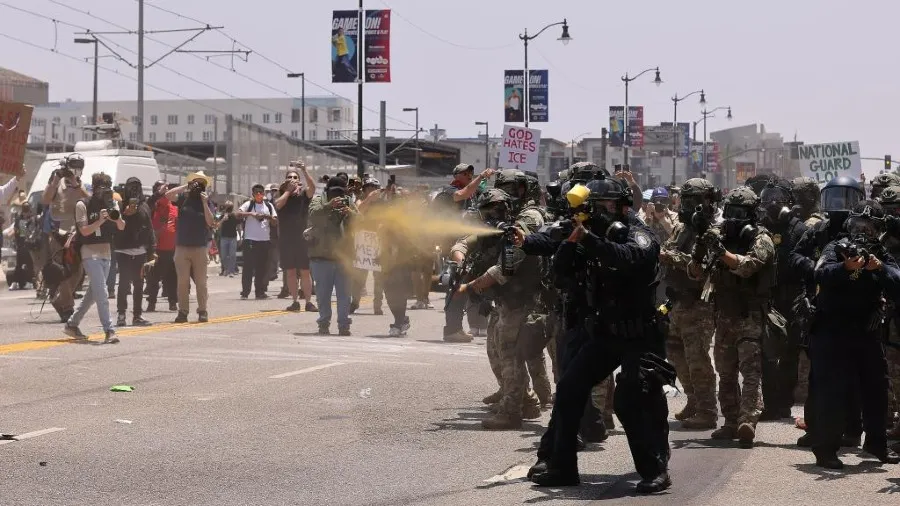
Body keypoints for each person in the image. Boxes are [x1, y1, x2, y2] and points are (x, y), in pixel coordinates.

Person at [527, 174, 673, 494]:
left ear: (620, 206)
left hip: (642, 335)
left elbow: (632, 258)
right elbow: (562, 269)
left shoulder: (638, 232)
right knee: (569, 388)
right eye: (593, 207)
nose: (596, 212)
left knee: (633, 397)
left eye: (602, 206)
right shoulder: (589, 233)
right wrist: (571, 242)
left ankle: (655, 469)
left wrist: (589, 240)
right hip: (606, 334)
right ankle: (562, 466)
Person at [811, 199, 900, 468]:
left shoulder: (881, 254)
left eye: (869, 227)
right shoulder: (835, 247)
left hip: (867, 332)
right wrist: (845, 268)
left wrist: (879, 269)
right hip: (833, 331)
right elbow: (820, 273)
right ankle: (826, 449)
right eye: (859, 225)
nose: (863, 232)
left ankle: (876, 445)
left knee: (876, 388)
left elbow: (897, 280)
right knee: (832, 392)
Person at [690, 186, 775, 449]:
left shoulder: (762, 238)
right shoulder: (718, 235)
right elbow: (696, 272)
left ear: (752, 214)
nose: (734, 218)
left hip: (750, 314)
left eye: (741, 212)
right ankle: (729, 421)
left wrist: (721, 251)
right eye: (731, 212)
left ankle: (747, 420)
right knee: (726, 371)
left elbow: (748, 267)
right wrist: (701, 244)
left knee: (750, 371)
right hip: (724, 314)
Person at [658, 178, 721, 430]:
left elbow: (701, 267)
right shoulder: (683, 227)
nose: (686, 205)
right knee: (675, 354)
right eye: (684, 200)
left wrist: (668, 256)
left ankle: (707, 410)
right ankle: (694, 400)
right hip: (677, 301)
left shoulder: (712, 229)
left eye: (692, 200)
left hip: (699, 304)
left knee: (697, 358)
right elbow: (670, 248)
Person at [754, 178, 809, 421]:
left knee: (789, 354)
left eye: (779, 198)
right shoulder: (759, 227)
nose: (773, 203)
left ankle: (784, 402)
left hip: (793, 299)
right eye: (768, 198)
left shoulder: (800, 230)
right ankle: (771, 404)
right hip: (769, 298)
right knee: (766, 353)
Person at [63, 172, 125, 343]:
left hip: (106, 252)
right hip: (89, 253)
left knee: (93, 294)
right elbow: (84, 231)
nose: (104, 193)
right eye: (101, 189)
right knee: (102, 294)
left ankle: (72, 324)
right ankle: (109, 330)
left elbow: (121, 226)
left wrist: (116, 215)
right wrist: (100, 220)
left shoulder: (111, 202)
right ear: (95, 188)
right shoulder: (82, 204)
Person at [41, 153, 89, 322]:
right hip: (58, 232)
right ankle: (67, 309)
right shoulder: (57, 181)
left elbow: (87, 199)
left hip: (75, 232)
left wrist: (75, 184)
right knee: (61, 271)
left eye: (80, 167)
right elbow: (45, 200)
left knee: (78, 272)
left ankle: (58, 300)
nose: (77, 170)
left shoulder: (80, 184)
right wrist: (55, 181)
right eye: (74, 166)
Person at [307, 176, 356, 336]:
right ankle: (323, 323)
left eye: (341, 193)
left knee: (344, 294)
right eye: (334, 192)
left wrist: (350, 213)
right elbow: (313, 215)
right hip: (321, 256)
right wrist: (328, 206)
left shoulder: (348, 202)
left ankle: (344, 325)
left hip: (344, 257)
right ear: (327, 190)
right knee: (323, 294)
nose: (337, 196)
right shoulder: (319, 200)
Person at [165, 171, 215, 323]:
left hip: (199, 247)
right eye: (195, 183)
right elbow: (168, 195)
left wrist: (205, 203)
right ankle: (183, 311)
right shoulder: (183, 199)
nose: (197, 186)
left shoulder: (206, 202)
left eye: (201, 184)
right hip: (182, 247)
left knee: (201, 282)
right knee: (182, 282)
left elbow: (210, 222)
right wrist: (185, 186)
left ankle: (202, 310)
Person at [113, 177, 156, 327]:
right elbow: (117, 226)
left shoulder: (144, 206)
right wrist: (126, 214)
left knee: (138, 284)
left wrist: (152, 250)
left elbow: (149, 229)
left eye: (137, 186)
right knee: (124, 283)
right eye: (131, 186)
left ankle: (137, 315)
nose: (134, 189)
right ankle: (121, 314)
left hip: (140, 251)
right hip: (123, 250)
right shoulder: (119, 205)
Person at [274, 164, 317, 312]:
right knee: (290, 272)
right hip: (286, 239)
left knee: (305, 271)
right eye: (289, 177)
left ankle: (309, 302)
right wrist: (288, 191)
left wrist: (304, 170)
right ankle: (294, 301)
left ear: (299, 180)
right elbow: (278, 205)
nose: (292, 179)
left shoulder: (304, 195)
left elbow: (312, 188)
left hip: (302, 239)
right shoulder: (281, 194)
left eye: (295, 177)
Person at [235, 184, 278, 300]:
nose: (259, 195)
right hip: (250, 240)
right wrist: (251, 214)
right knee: (248, 267)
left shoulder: (268, 206)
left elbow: (275, 221)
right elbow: (237, 214)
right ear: (253, 194)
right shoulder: (249, 204)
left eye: (261, 192)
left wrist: (267, 217)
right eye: (256, 193)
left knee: (262, 268)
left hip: (264, 241)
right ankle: (245, 292)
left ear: (264, 193)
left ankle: (260, 291)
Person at [147, 182, 178, 313]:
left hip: (173, 249)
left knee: (172, 278)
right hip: (158, 249)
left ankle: (172, 302)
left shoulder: (175, 209)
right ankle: (151, 303)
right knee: (153, 278)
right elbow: (154, 201)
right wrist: (161, 192)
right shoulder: (156, 205)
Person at [217, 201, 239, 277]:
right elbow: (218, 226)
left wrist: (240, 236)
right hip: (224, 237)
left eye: (230, 207)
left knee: (232, 255)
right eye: (227, 207)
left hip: (233, 237)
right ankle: (226, 269)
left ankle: (231, 271)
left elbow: (238, 226)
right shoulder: (222, 215)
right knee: (223, 255)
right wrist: (223, 219)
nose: (229, 209)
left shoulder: (234, 215)